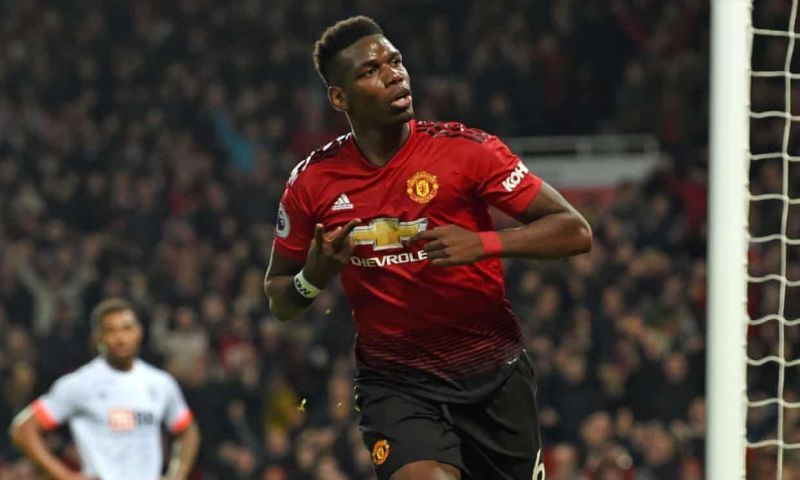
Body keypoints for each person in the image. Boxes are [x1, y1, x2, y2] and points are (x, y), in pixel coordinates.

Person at [264, 16, 592, 480]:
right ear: (339, 98)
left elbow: (575, 231)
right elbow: (279, 298)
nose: (394, 74)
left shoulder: (468, 151)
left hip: (494, 375)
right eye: (371, 70)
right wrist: (312, 278)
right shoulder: (312, 184)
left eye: (395, 61)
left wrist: (483, 244)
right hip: (397, 385)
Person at [10, 298, 201, 480]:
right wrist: (64, 476)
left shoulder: (160, 383)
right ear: (98, 337)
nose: (120, 338)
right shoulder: (79, 384)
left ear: (139, 332)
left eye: (127, 329)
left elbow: (187, 429)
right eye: (111, 330)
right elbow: (24, 430)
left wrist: (178, 473)